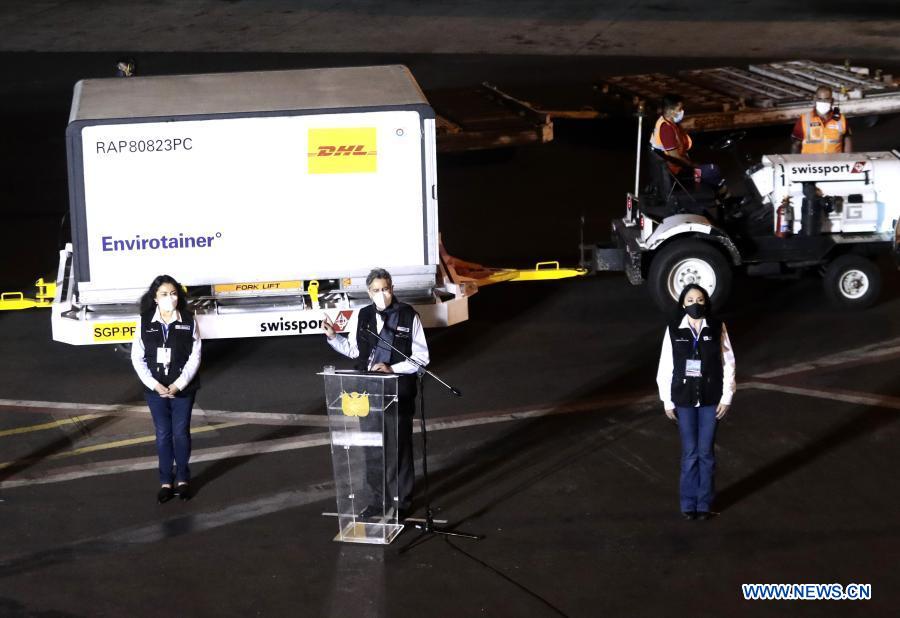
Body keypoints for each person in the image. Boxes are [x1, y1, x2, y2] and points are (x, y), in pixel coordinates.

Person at [323, 268, 429, 519]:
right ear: (368, 292)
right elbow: (354, 350)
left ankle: (401, 501)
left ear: (392, 288)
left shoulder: (408, 315)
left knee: (398, 447)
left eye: (386, 289)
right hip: (367, 391)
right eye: (377, 290)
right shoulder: (363, 315)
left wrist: (392, 368)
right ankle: (376, 499)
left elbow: (422, 357)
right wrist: (333, 337)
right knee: (372, 447)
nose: (382, 294)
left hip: (398, 391)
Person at [656, 284, 736, 521]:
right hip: (684, 398)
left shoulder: (717, 326)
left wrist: (727, 396)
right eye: (690, 299)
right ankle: (688, 502)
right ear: (683, 303)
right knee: (690, 453)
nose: (695, 303)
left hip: (711, 399)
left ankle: (704, 503)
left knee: (706, 453)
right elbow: (666, 365)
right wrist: (667, 401)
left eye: (700, 299)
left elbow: (728, 362)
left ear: (706, 303)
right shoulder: (673, 330)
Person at [131, 275, 201, 503]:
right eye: (164, 294)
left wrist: (179, 384)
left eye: (173, 294)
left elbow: (195, 356)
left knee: (180, 433)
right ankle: (165, 481)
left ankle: (182, 479)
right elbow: (137, 358)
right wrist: (155, 384)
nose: (169, 298)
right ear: (155, 298)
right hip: (156, 389)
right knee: (163, 434)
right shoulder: (143, 321)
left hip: (183, 389)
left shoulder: (189, 320)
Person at [650, 93, 731, 202]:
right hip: (679, 173)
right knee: (713, 170)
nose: (681, 111)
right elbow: (675, 156)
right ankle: (723, 199)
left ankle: (720, 197)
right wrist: (693, 166)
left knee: (707, 168)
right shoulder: (666, 129)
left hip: (678, 167)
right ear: (670, 111)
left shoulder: (665, 121)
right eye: (679, 109)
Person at [791, 86, 851, 154]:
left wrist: (848, 159)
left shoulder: (841, 119)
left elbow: (847, 140)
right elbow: (795, 145)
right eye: (820, 99)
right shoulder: (804, 119)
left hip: (834, 163)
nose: (823, 102)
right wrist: (793, 163)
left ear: (832, 101)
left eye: (826, 99)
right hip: (810, 163)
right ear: (815, 99)